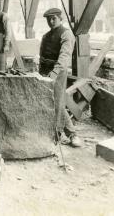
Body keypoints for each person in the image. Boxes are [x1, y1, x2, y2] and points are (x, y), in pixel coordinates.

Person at [39, 8, 82, 147]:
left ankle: (59, 134)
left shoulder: (66, 34)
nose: (51, 22)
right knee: (48, 101)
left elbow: (64, 58)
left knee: (57, 101)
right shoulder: (45, 36)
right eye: (48, 19)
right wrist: (40, 74)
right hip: (45, 71)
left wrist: (54, 74)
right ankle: (70, 132)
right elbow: (42, 57)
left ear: (60, 18)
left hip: (58, 71)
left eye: (54, 19)